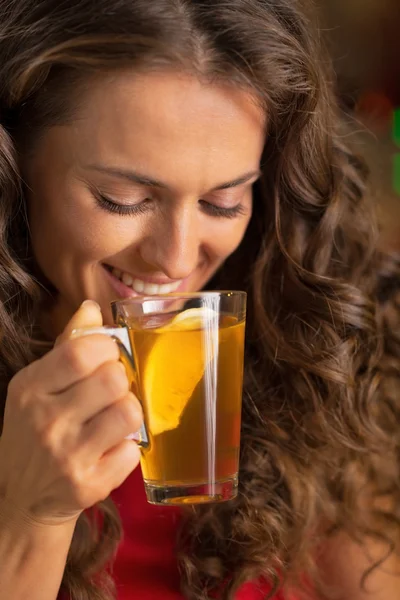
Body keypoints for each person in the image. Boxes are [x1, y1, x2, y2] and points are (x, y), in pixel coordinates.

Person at [0, 1, 399, 599]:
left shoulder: (299, 350)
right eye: (123, 198)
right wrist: (30, 517)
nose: (178, 260)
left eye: (222, 202)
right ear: (15, 165)